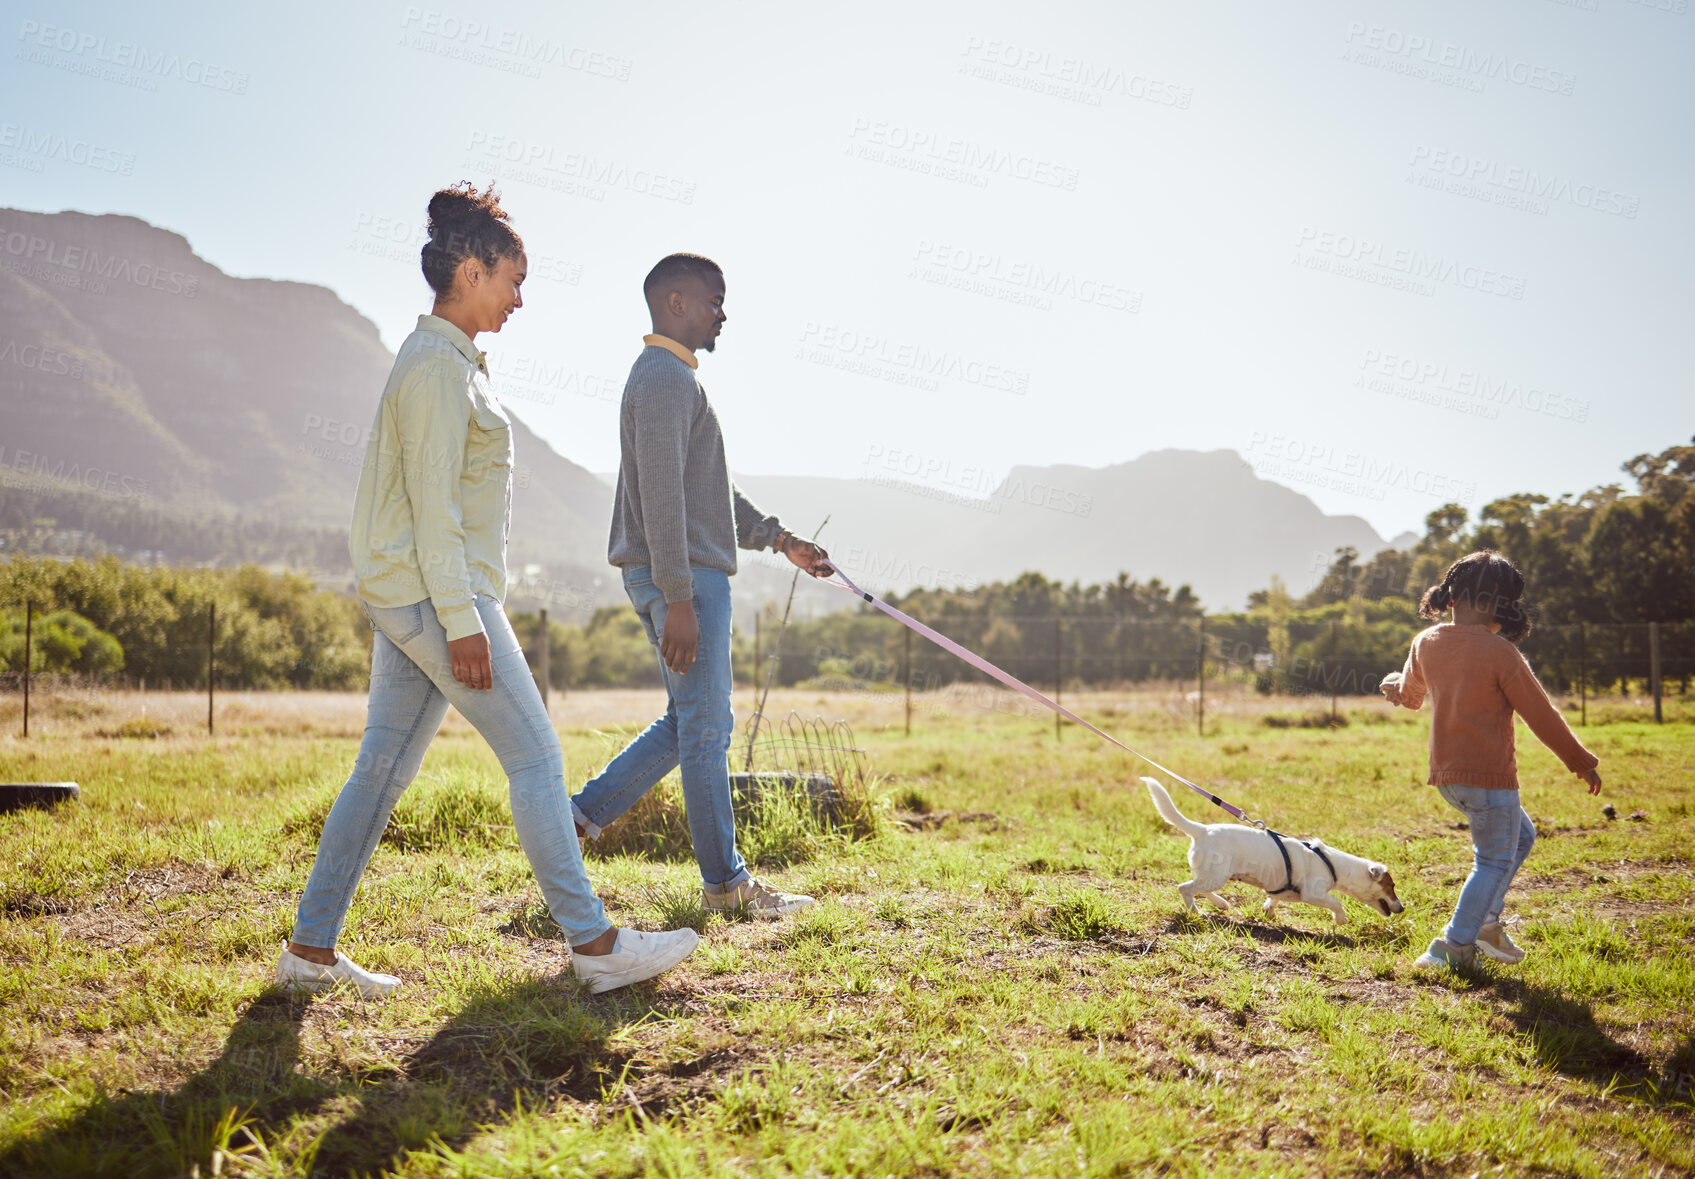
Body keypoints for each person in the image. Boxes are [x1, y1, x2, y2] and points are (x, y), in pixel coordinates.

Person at [278, 184, 699, 997]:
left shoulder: (446, 361)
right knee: (537, 756)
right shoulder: (438, 368)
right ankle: (596, 942)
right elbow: (434, 510)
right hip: (441, 598)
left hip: (414, 596)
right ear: (470, 270)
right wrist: (464, 620)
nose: (519, 295)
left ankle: (311, 952)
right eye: (512, 276)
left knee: (381, 769)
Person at [569, 253, 833, 919]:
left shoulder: (673, 381)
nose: (723, 312)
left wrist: (780, 540)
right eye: (715, 299)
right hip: (682, 578)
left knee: (688, 720)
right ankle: (726, 884)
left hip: (680, 572)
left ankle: (573, 818)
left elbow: (706, 492)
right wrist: (679, 596)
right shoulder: (662, 378)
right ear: (677, 302)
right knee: (708, 723)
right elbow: (660, 497)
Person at [1379, 549, 1601, 971]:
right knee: (1493, 860)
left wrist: (1393, 684)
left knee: (1521, 836)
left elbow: (1408, 695)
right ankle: (1453, 946)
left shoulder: (1425, 642)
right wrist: (1579, 760)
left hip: (1449, 778)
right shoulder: (1501, 652)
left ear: (1451, 598)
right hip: (1490, 778)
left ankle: (1486, 922)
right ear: (1499, 603)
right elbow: (1541, 714)